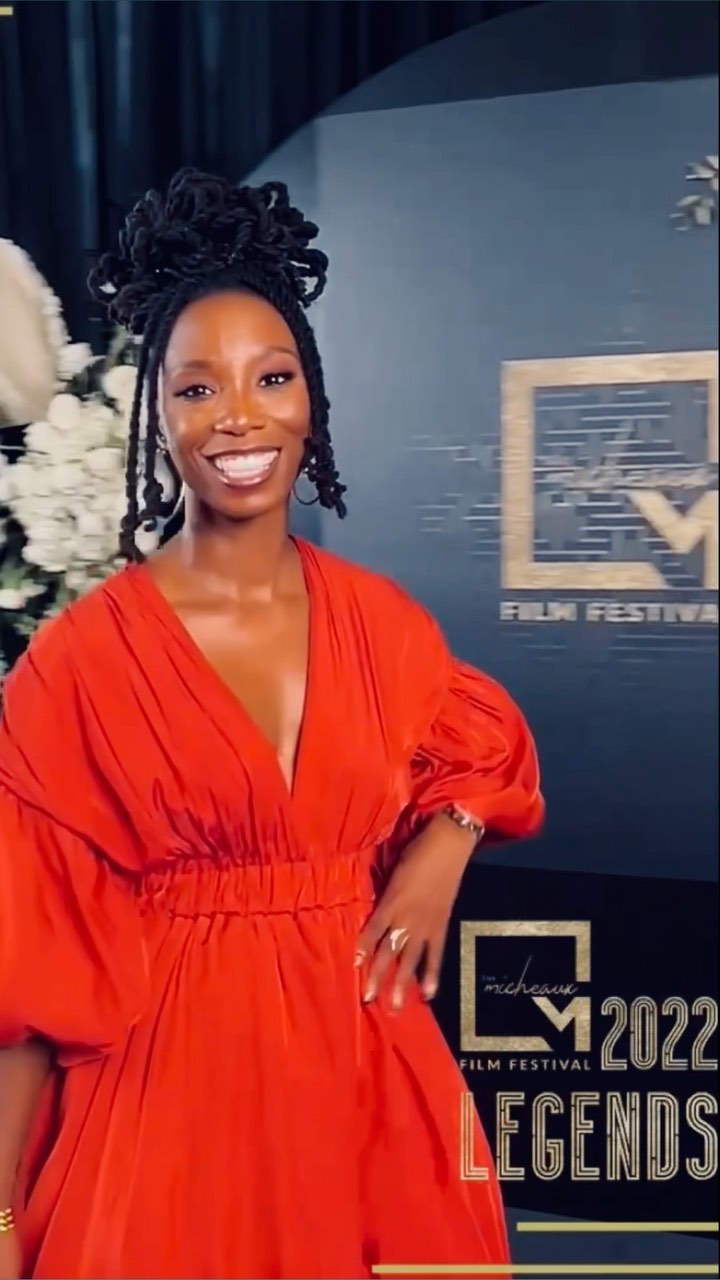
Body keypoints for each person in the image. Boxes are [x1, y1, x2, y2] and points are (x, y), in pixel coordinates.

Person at [0, 169, 543, 1280]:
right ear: (155, 411)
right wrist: (1, 1220)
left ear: (313, 398)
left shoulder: (383, 624)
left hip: (368, 1087)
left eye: (273, 376)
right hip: (170, 1107)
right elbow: (28, 982)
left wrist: (446, 842)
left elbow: (483, 746)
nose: (240, 414)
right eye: (198, 386)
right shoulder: (79, 664)